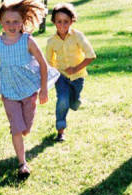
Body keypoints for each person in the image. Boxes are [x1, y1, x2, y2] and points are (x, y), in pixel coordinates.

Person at [0, 0, 60, 179]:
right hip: (8, 92)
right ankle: (22, 164)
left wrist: (43, 90)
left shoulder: (27, 40)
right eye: (7, 21)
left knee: (25, 129)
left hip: (29, 90)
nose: (11, 25)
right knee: (16, 128)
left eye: (16, 21)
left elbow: (42, 64)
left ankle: (23, 133)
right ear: (1, 22)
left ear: (23, 22)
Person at [46, 3, 96, 142]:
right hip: (61, 77)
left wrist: (75, 68)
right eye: (59, 21)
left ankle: (75, 100)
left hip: (78, 77)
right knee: (62, 100)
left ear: (72, 21)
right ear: (54, 22)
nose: (62, 25)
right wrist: (53, 76)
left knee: (73, 101)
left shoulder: (77, 36)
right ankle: (60, 131)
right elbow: (49, 62)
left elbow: (91, 55)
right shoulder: (51, 42)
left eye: (66, 21)